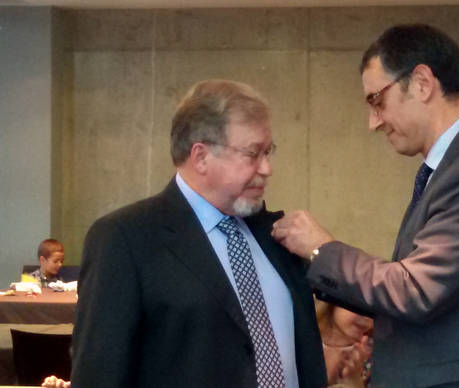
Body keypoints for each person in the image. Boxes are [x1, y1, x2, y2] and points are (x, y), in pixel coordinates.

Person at [272, 24, 459, 387]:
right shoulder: (454, 167)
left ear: (422, 82)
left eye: (377, 101)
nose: (373, 122)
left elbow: (416, 290)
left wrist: (321, 249)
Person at [70, 80, 326, 388]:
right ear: (201, 156)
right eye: (253, 153)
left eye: (268, 151)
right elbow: (99, 373)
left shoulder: (277, 236)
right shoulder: (125, 238)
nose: (267, 168)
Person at [315, 300, 373, 387]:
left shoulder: (368, 361)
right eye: (359, 305)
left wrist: (354, 381)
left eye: (374, 310)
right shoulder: (297, 338)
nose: (367, 317)